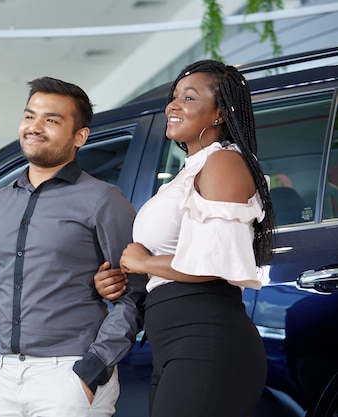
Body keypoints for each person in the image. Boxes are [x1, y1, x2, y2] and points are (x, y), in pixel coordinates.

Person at [0, 76, 147, 417]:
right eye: (29, 116)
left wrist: (91, 370)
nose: (35, 127)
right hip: (7, 378)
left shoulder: (102, 200)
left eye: (51, 120)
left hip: (71, 372)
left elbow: (136, 294)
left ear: (80, 136)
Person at [106, 60, 275, 417]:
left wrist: (143, 262)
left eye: (189, 97)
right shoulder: (191, 171)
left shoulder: (224, 162)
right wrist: (124, 274)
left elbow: (212, 262)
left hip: (205, 337)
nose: (173, 105)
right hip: (177, 342)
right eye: (174, 97)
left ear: (219, 113)